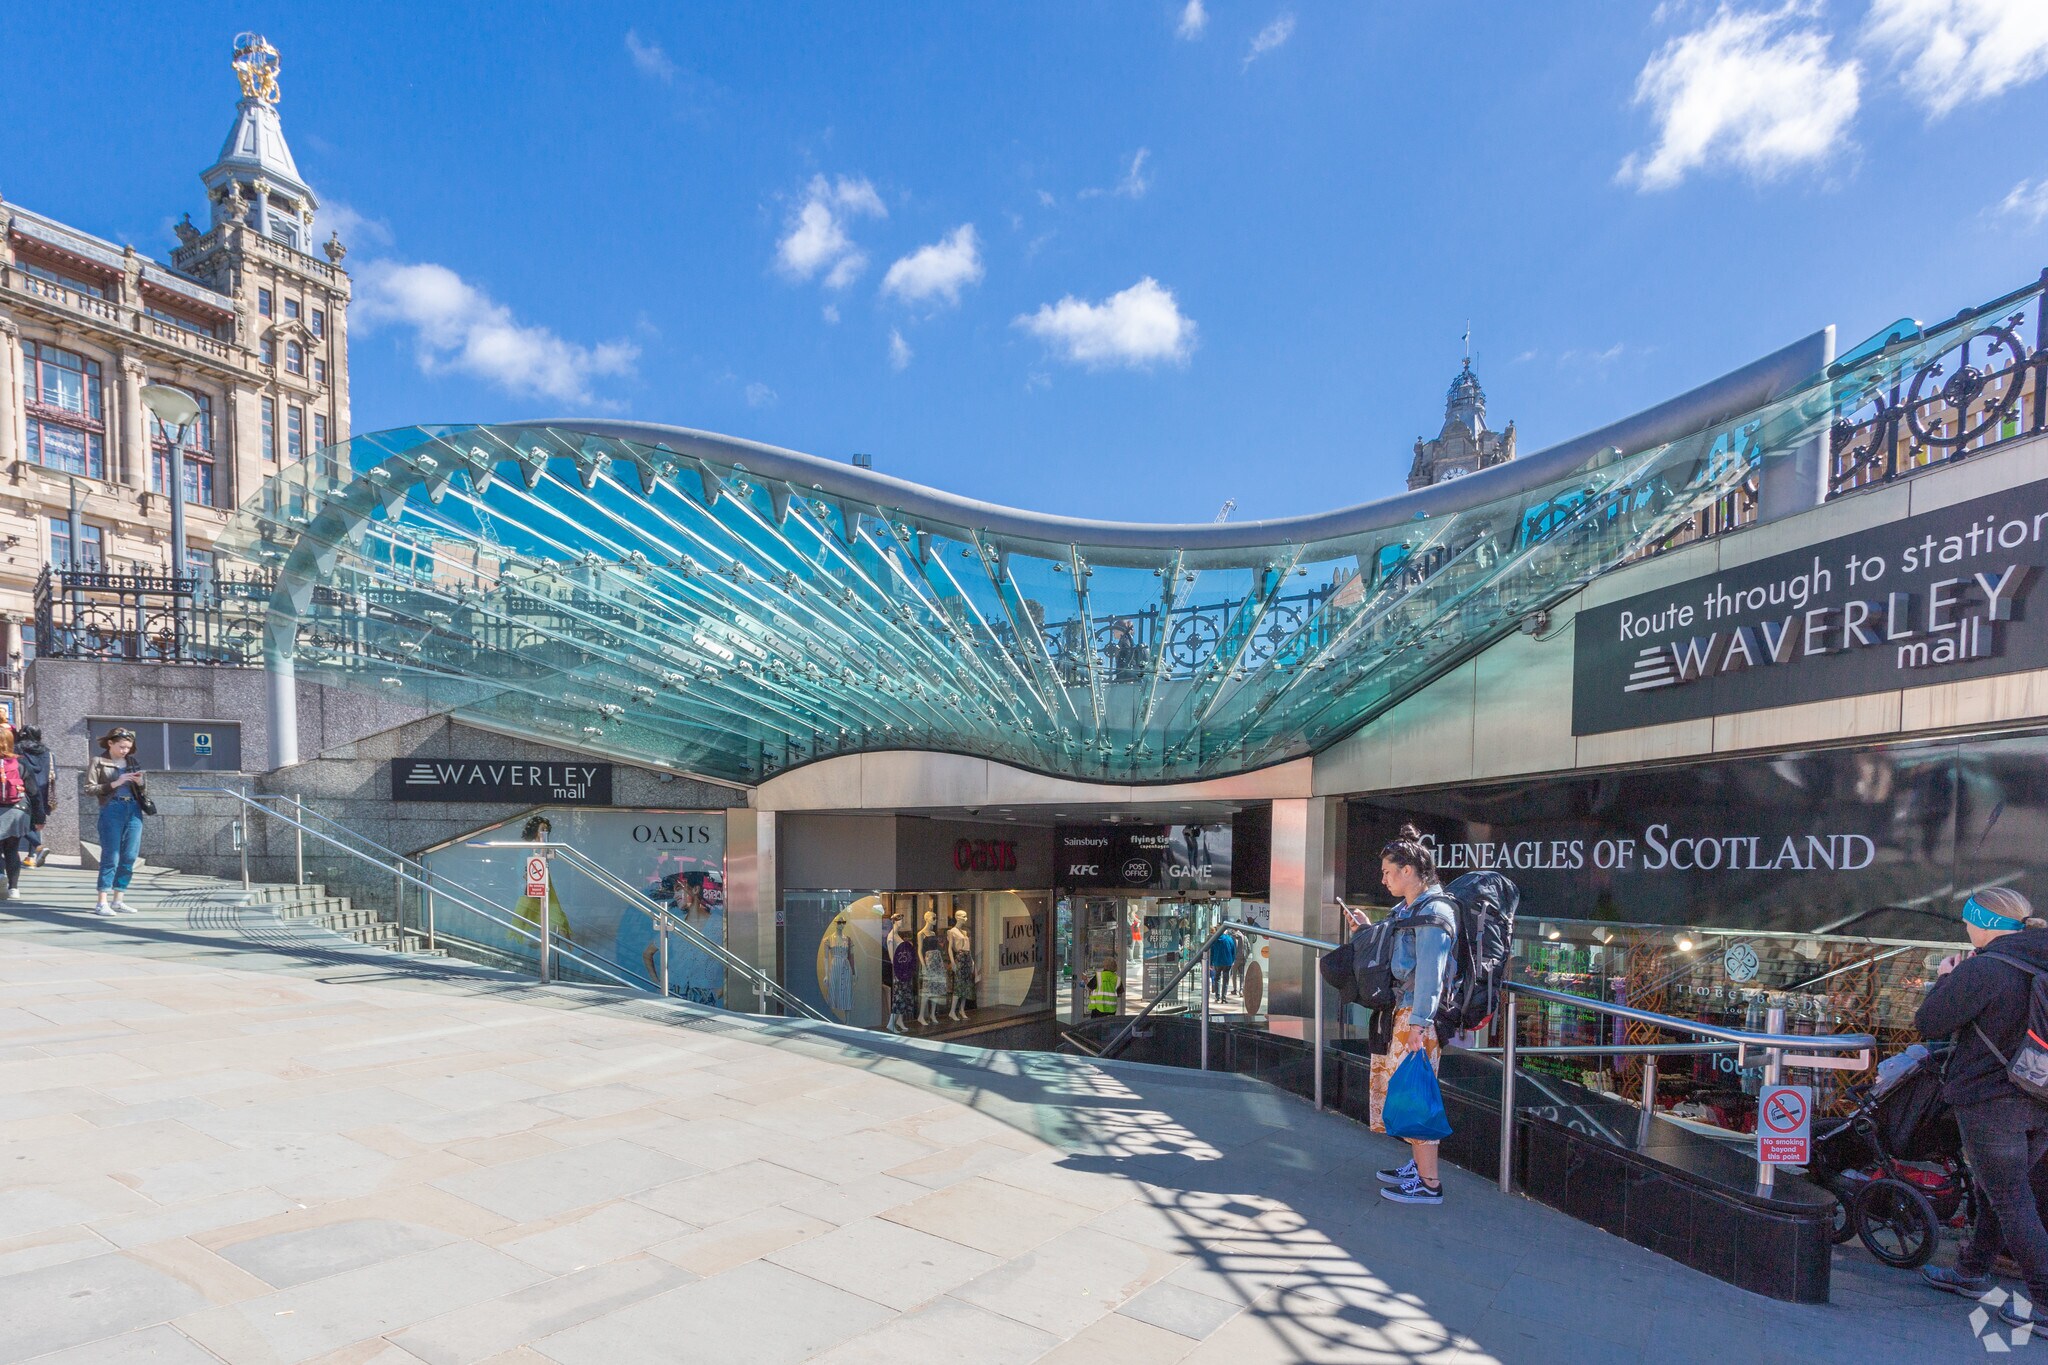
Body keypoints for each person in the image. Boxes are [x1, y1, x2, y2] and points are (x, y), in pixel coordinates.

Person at [1917, 887, 2048, 1331]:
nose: (1966, 927)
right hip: (2041, 1097)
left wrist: (1949, 978)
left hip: (1994, 1102)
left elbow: (1929, 1022)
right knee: (2006, 1192)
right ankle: (1971, 1270)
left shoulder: (1987, 968)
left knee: (2011, 1199)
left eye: (1968, 920)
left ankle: (2046, 1303)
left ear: (1986, 924)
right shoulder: (2039, 958)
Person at [1343, 822, 1458, 1207]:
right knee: (1404, 1092)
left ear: (1409, 871)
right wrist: (1364, 928)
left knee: (1417, 1096)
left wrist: (1418, 1025)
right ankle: (1418, 1168)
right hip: (1405, 1014)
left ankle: (1429, 1184)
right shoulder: (1411, 908)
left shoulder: (1435, 912)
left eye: (1389, 871)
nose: (1384, 878)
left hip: (1417, 1017)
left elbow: (1431, 973)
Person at [85, 728, 147, 916]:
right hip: (112, 808)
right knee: (111, 855)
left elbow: (144, 789)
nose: (125, 751)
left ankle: (118, 899)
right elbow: (89, 788)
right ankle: (101, 901)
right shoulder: (98, 761)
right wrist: (115, 783)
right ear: (110, 743)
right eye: (121, 747)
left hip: (134, 809)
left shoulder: (132, 761)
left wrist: (140, 782)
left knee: (130, 856)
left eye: (128, 747)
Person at [15, 727, 53, 869]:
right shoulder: (47, 752)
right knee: (35, 822)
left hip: (22, 791)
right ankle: (31, 856)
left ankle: (37, 847)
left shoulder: (17, 749)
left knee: (19, 823)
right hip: (42, 791)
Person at [0, 729, 29, 899]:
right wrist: (39, 817)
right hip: (15, 811)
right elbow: (33, 792)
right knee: (12, 850)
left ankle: (0, 876)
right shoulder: (19, 764)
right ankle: (14, 888)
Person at [1208, 922, 1237, 1002]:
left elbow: (1212, 951)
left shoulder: (1215, 939)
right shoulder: (1229, 939)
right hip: (1227, 962)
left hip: (1217, 961)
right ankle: (1223, 998)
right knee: (1225, 979)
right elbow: (1233, 950)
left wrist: (1211, 963)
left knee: (1217, 979)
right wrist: (1232, 960)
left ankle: (1217, 997)